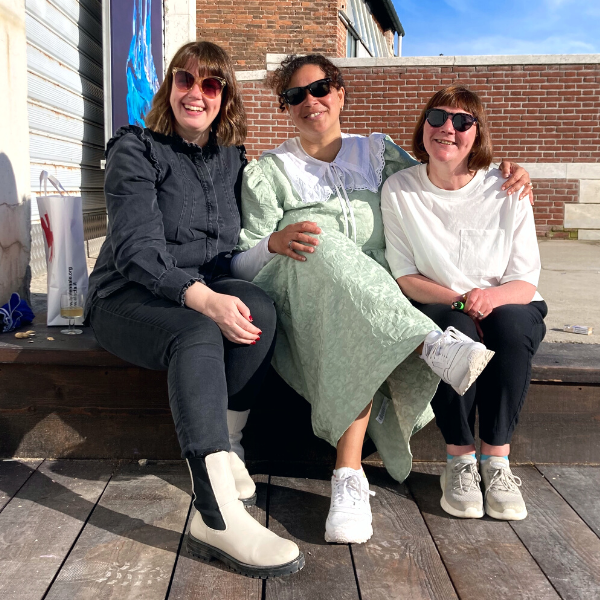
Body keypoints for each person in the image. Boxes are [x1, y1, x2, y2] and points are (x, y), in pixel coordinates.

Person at [231, 54, 532, 543]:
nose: (311, 101)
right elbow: (242, 263)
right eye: (295, 95)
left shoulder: (376, 154)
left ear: (342, 92)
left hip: (378, 302)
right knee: (323, 240)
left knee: (361, 316)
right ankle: (428, 346)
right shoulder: (271, 172)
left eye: (321, 88)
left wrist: (502, 173)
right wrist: (271, 244)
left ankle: (349, 477)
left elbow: (445, 171)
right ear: (285, 107)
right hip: (304, 291)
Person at [85, 42, 304, 578]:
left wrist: (269, 248)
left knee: (261, 308)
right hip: (126, 297)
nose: (196, 93)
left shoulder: (231, 159)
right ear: (170, 86)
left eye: (211, 85)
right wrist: (203, 298)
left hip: (192, 289)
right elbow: (136, 250)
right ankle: (216, 515)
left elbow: (224, 252)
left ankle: (227, 448)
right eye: (186, 80)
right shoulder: (135, 149)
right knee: (197, 333)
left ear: (224, 96)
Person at [381, 84, 547, 521]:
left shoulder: (507, 187)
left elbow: (526, 280)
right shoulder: (400, 189)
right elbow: (406, 276)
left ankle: (496, 463)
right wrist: (462, 300)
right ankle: (459, 462)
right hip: (444, 302)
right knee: (448, 330)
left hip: (507, 299)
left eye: (462, 121)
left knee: (510, 327)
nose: (447, 129)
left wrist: (487, 299)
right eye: (436, 118)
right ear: (423, 127)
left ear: (477, 132)